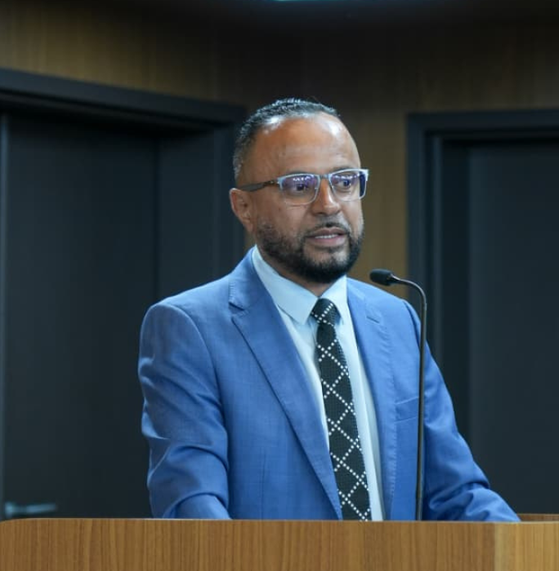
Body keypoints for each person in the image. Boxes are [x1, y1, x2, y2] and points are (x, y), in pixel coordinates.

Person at [138, 98, 518, 522]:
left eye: (345, 181)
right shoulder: (190, 328)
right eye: (299, 185)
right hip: (265, 569)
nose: (329, 204)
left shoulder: (397, 320)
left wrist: (530, 558)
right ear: (243, 207)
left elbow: (456, 493)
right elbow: (193, 508)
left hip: (400, 569)